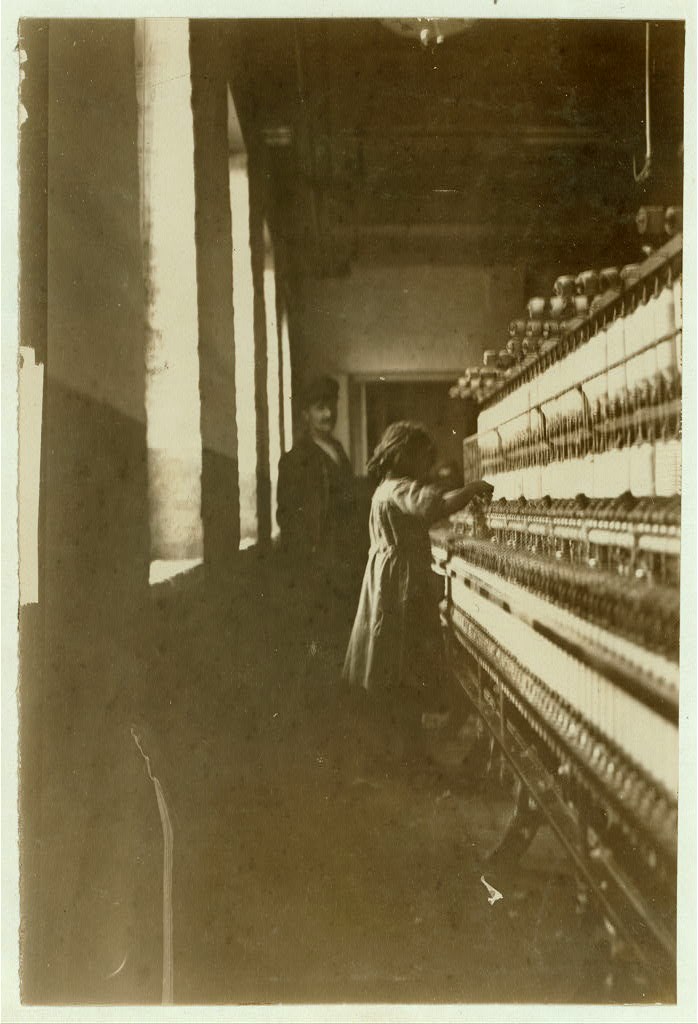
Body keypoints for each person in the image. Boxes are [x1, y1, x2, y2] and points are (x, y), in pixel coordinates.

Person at [342, 421, 493, 755]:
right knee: (403, 661)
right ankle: (406, 753)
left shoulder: (387, 486)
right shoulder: (399, 487)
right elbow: (431, 506)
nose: (428, 466)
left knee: (398, 664)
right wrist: (470, 491)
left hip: (392, 579)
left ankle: (403, 748)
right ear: (404, 457)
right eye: (424, 458)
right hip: (401, 584)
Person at [276, 375, 359, 683]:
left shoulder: (337, 451)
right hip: (317, 569)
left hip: (344, 565)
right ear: (305, 415)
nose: (328, 415)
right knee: (319, 650)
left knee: (342, 645)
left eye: (331, 407)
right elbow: (290, 522)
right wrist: (307, 568)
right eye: (320, 408)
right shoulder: (297, 461)